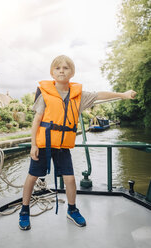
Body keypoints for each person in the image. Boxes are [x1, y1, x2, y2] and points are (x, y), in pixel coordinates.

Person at [19, 55, 137, 230]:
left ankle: (72, 210)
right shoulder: (45, 94)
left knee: (70, 179)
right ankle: (24, 210)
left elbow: (99, 95)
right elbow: (36, 120)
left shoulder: (79, 96)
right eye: (58, 68)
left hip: (62, 148)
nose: (61, 70)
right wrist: (33, 145)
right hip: (44, 145)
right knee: (32, 177)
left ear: (72, 73)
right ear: (52, 72)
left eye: (66, 68)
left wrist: (123, 95)